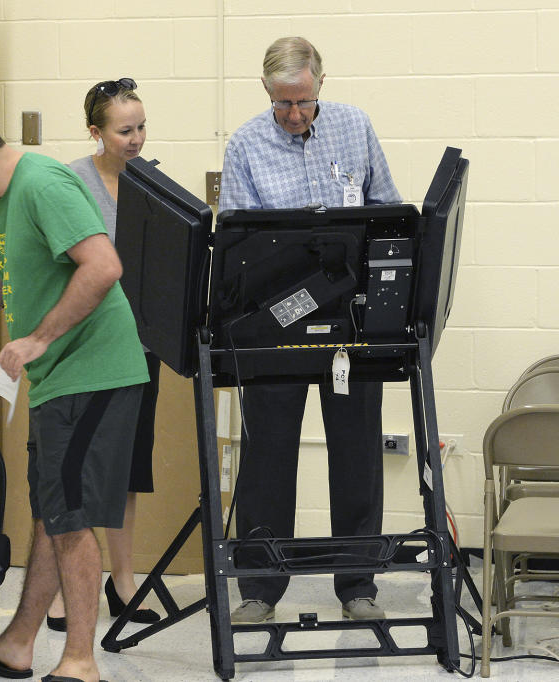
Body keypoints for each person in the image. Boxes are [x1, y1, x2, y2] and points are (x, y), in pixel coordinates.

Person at [0, 104, 149, 682]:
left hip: (95, 375)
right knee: (50, 515)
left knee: (69, 519)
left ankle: (81, 661)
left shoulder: (42, 184)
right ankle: (18, 644)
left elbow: (104, 265)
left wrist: (39, 338)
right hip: (56, 383)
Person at [219, 36, 401, 625]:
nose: (294, 115)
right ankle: (259, 589)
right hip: (275, 321)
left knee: (355, 449)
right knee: (267, 452)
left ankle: (357, 585)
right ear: (266, 91)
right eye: (282, 103)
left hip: (350, 320)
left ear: (321, 82)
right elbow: (238, 242)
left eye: (302, 101)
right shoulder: (246, 143)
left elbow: (387, 208)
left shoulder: (355, 126)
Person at [45, 77, 160, 632]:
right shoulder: (70, 182)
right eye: (124, 130)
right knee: (79, 473)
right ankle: (72, 588)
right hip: (85, 350)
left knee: (127, 470)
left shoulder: (153, 184)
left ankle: (123, 581)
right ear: (95, 132)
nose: (135, 138)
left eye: (141, 127)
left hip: (138, 347)